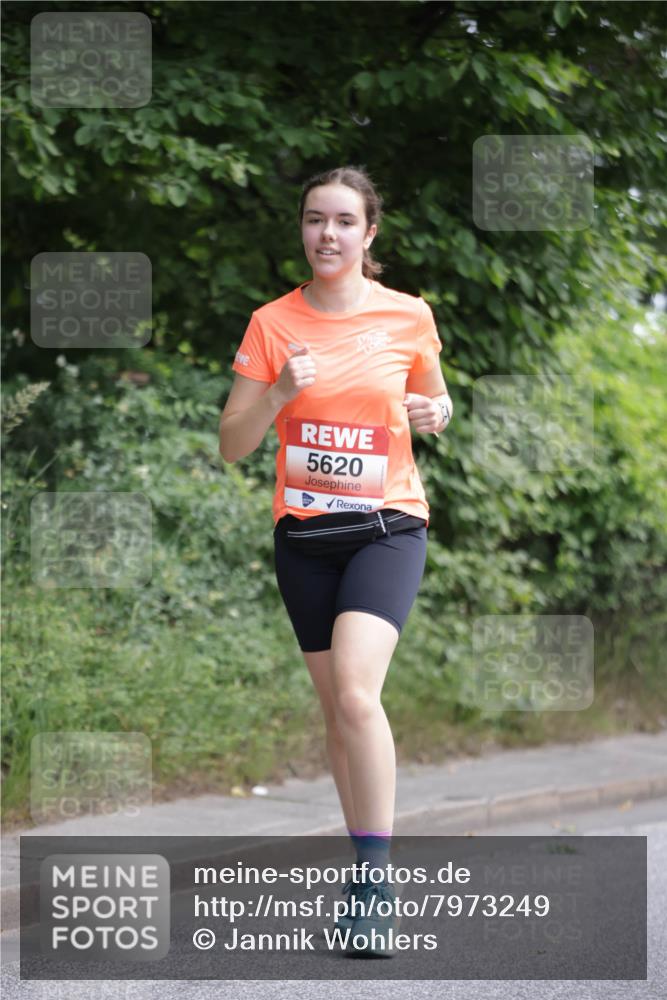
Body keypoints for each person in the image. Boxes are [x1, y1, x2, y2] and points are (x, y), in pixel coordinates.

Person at [219, 165, 453, 956]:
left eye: (343, 221)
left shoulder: (407, 316)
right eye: (314, 220)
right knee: (337, 712)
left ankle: (375, 886)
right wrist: (279, 389)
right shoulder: (271, 323)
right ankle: (362, 862)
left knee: (357, 692)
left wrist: (437, 411)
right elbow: (231, 444)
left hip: (388, 525)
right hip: (305, 539)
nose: (327, 234)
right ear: (303, 229)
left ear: (369, 233)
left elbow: (432, 402)